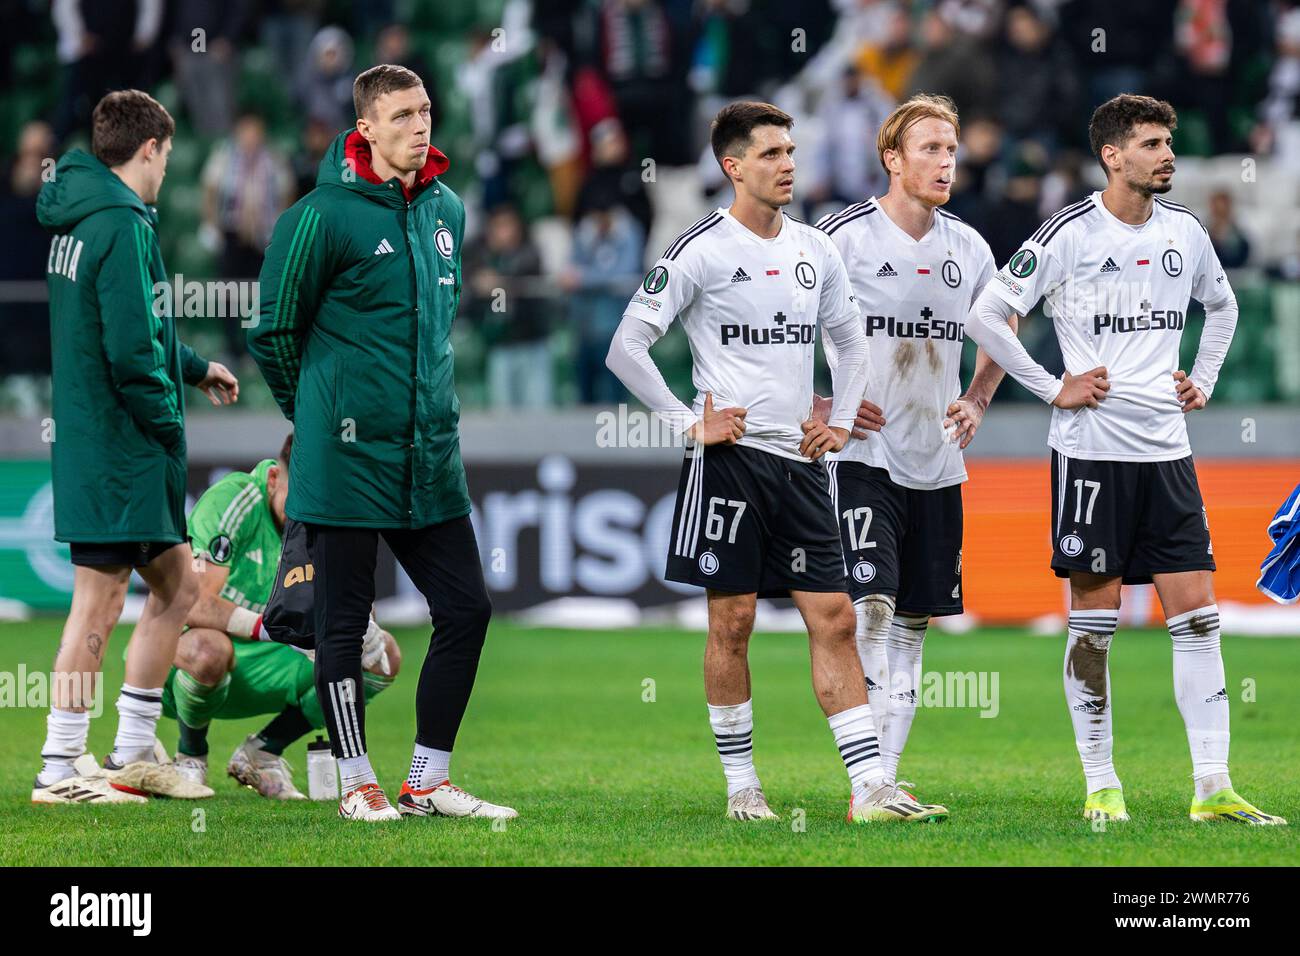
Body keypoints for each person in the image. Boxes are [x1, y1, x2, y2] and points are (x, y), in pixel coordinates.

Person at [606, 101, 946, 824]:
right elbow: (625, 347)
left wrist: (844, 421)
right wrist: (685, 423)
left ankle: (868, 790)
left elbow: (850, 347)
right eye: (770, 154)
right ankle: (741, 788)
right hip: (728, 463)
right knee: (731, 623)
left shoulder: (814, 249)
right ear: (733, 166)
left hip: (800, 464)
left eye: (791, 151)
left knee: (836, 618)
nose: (788, 164)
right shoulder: (700, 248)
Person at [966, 94, 1285, 826]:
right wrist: (1053, 387)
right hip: (1091, 455)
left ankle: (1213, 788)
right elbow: (987, 313)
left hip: (1168, 454)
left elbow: (1224, 306)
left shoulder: (1186, 232)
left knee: (1200, 619)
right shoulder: (1067, 235)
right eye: (1150, 143)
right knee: (1095, 625)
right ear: (1114, 156)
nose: (1167, 153)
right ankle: (1102, 784)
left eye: (1169, 140)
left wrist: (1201, 379)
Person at [249, 64, 512, 823]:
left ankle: (426, 779)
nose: (418, 124)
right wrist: (321, 414)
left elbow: (439, 323)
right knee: (342, 623)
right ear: (365, 127)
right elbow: (272, 331)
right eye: (401, 114)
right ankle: (358, 784)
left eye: (425, 109)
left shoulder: (448, 209)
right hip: (344, 459)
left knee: (467, 609)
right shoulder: (319, 215)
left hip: (428, 457)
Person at [32, 89, 239, 804]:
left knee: (175, 585)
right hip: (122, 445)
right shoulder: (123, 224)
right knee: (102, 599)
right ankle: (62, 765)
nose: (166, 169)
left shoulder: (77, 218)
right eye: (168, 155)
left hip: (98, 441)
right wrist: (168, 420)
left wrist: (192, 366)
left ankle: (127, 752)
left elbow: (140, 327)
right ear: (149, 149)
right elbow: (127, 351)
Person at [813, 95, 1007, 809]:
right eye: (929, 148)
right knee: (870, 607)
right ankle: (869, 782)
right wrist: (816, 403)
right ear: (892, 159)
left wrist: (980, 395)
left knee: (916, 621)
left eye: (951, 150)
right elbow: (782, 324)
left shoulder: (970, 249)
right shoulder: (842, 239)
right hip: (865, 456)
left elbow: (1004, 329)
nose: (945, 162)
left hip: (938, 458)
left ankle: (887, 775)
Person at [163, 434, 401, 798]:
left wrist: (363, 628)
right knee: (207, 650)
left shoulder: (328, 516)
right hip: (191, 661)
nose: (306, 511)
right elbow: (193, 605)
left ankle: (263, 751)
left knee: (383, 659)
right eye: (298, 496)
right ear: (274, 479)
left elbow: (352, 600)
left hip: (275, 661)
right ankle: (190, 754)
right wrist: (276, 630)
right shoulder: (234, 500)